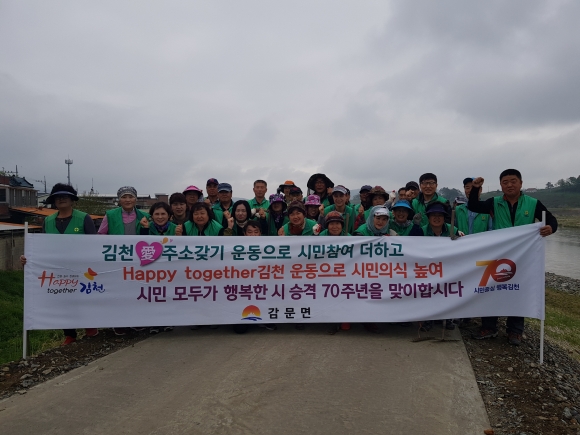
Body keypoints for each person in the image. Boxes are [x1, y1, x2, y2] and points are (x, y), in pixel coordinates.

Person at [468, 169, 558, 345]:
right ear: (501, 185)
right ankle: (489, 327)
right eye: (505, 182)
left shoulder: (533, 203)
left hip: (523, 257)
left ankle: (515, 331)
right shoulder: (494, 202)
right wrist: (475, 188)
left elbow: (551, 219)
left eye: (513, 181)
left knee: (518, 291)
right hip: (498, 255)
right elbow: (473, 206)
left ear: (521, 183)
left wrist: (551, 228)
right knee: (491, 290)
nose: (509, 185)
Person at [21, 183, 98, 345]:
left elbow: (94, 244)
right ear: (53, 201)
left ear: (72, 199)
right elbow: (41, 247)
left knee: (83, 299)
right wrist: (29, 258)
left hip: (81, 269)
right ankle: (69, 334)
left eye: (65, 196)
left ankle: (90, 327)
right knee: (62, 300)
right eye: (57, 197)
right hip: (57, 270)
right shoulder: (48, 221)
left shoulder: (84, 218)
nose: (61, 199)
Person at [98, 186, 150, 336]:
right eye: (124, 197)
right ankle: (118, 322)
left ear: (135, 199)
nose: (127, 200)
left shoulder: (144, 216)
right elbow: (101, 234)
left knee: (137, 291)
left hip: (137, 260)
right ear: (119, 200)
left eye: (131, 197)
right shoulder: (110, 215)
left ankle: (136, 320)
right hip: (117, 259)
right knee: (118, 291)